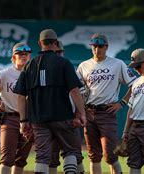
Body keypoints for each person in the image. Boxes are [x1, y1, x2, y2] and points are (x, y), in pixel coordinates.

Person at [14, 29, 86, 174]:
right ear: (55, 43)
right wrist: (82, 113)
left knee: (42, 156)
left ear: (40, 43)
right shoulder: (64, 63)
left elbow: (21, 96)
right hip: (62, 116)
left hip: (38, 119)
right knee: (70, 151)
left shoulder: (29, 65)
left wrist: (23, 120)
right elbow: (74, 91)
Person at [76, 33, 136, 174]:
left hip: (107, 112)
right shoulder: (83, 66)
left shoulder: (117, 64)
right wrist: (82, 108)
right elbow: (77, 90)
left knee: (110, 154)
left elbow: (135, 84)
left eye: (100, 46)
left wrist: (122, 103)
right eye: (94, 46)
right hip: (89, 112)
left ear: (107, 47)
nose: (97, 50)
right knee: (93, 155)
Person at [0, 43, 34, 174]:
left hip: (30, 120)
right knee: (7, 159)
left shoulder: (34, 75)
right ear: (13, 58)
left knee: (21, 159)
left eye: (26, 54)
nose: (23, 56)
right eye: (20, 54)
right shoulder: (4, 74)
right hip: (10, 119)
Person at [49, 41, 86, 174]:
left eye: (60, 52)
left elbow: (79, 94)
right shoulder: (47, 69)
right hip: (50, 119)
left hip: (69, 118)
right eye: (56, 52)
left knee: (76, 155)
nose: (59, 54)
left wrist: (78, 115)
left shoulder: (69, 68)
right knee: (51, 157)